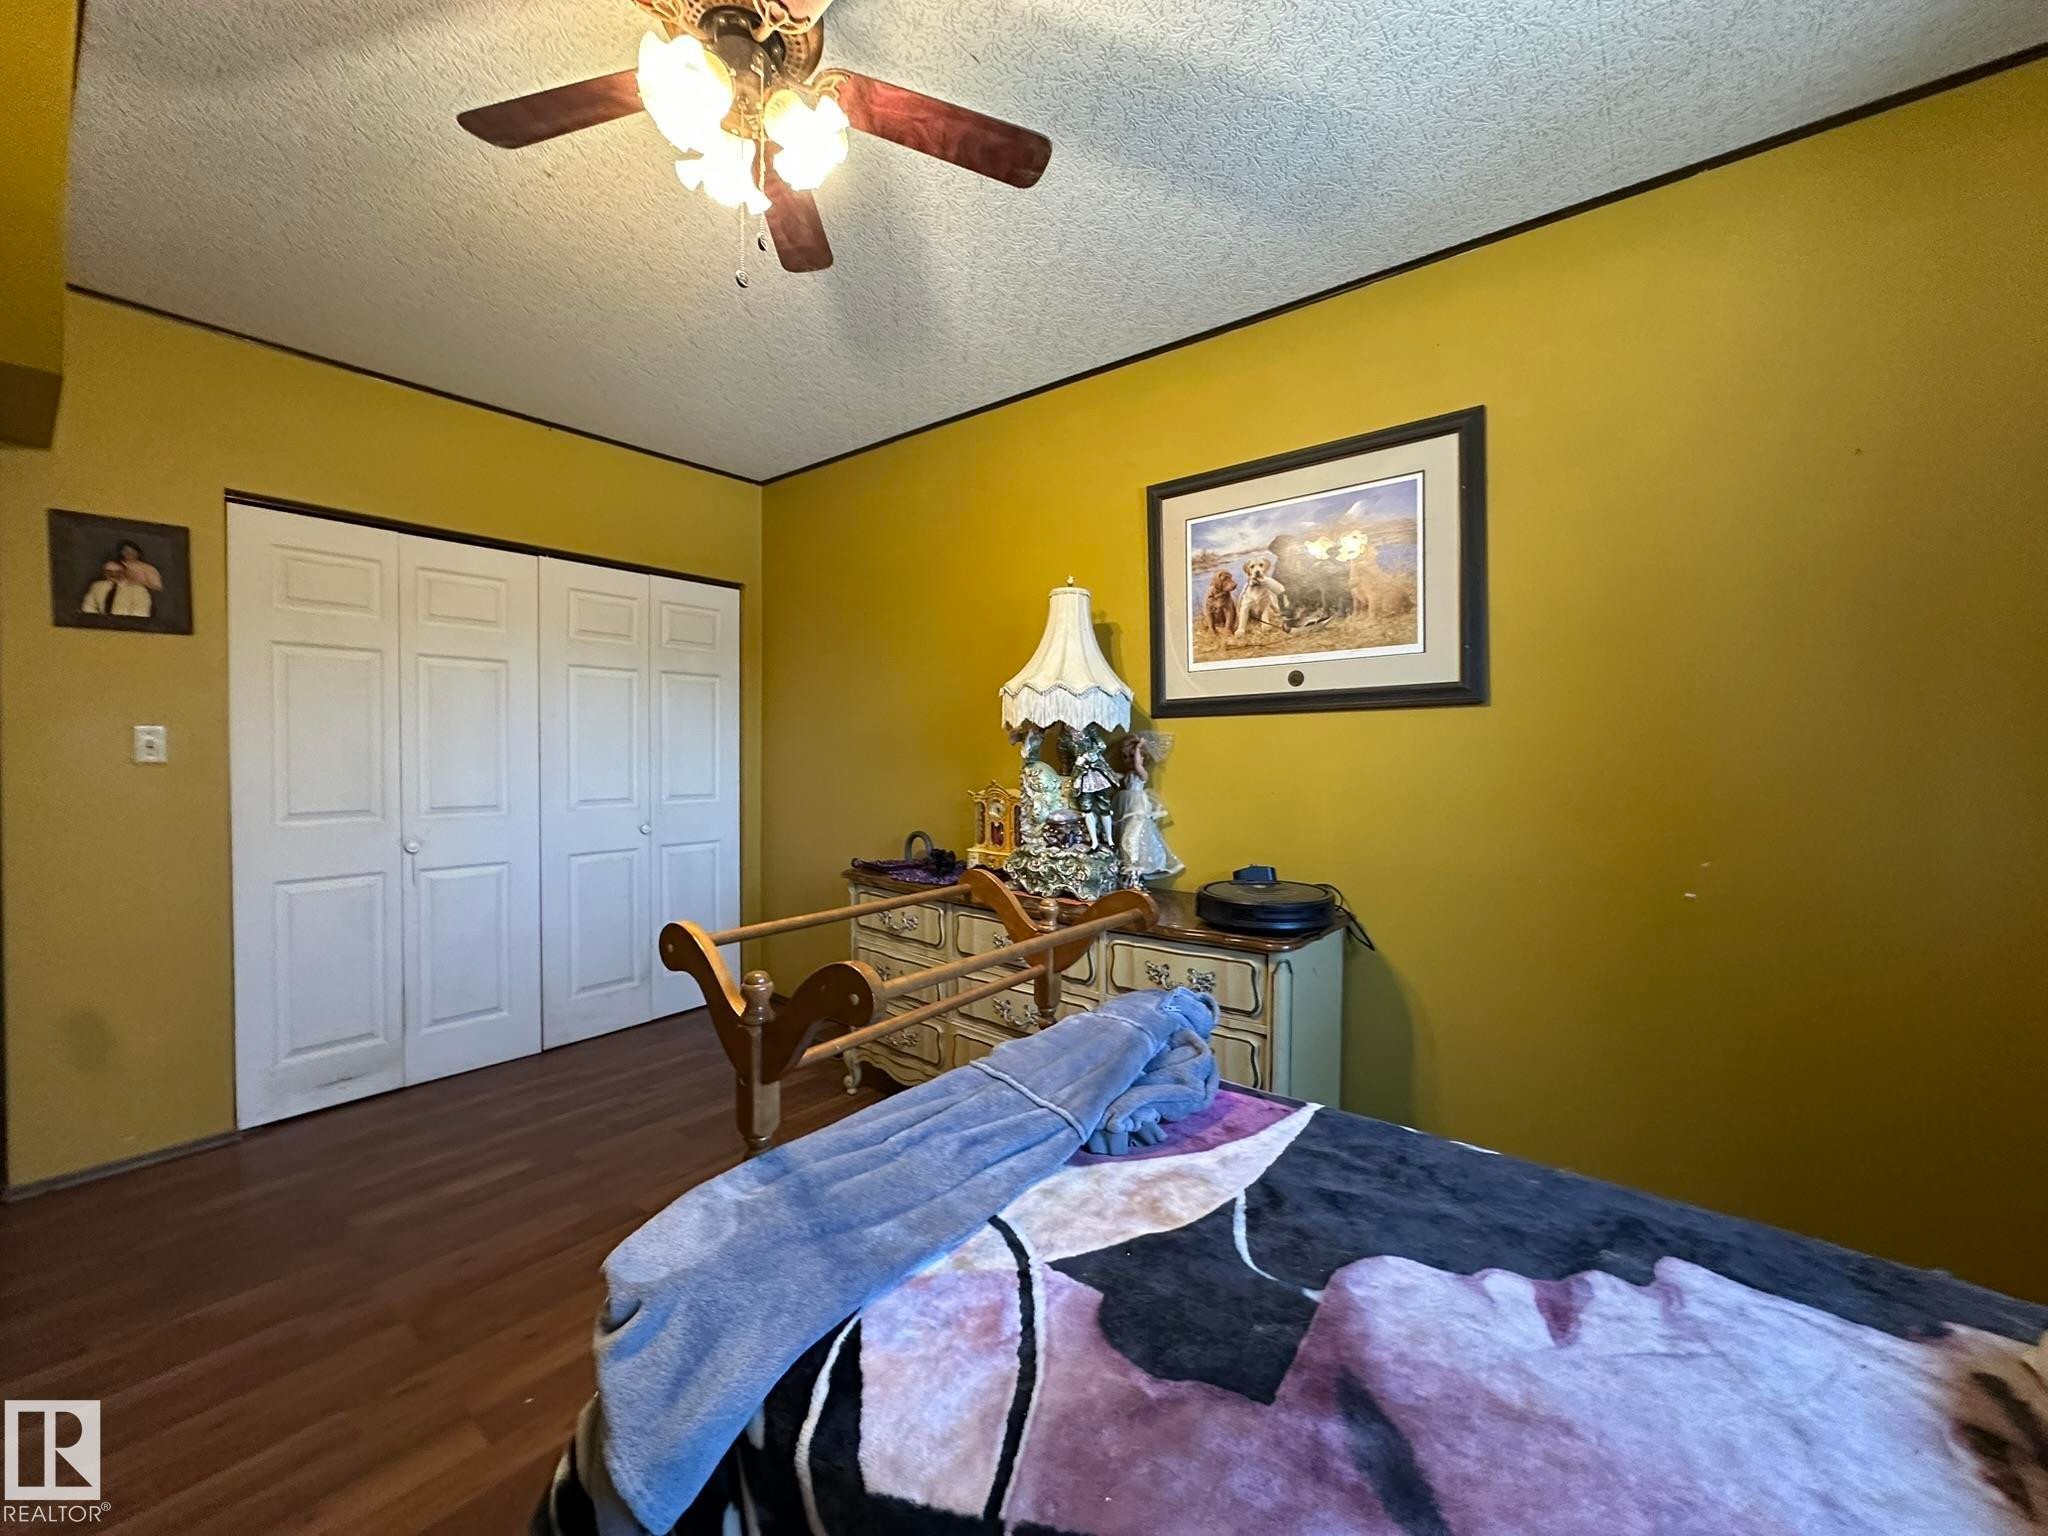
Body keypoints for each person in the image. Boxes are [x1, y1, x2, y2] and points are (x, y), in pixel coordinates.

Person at [80, 559, 152, 618]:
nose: (113, 575)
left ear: (125, 572)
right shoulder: (97, 586)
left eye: (118, 572)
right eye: (109, 572)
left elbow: (141, 614)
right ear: (104, 573)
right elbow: (87, 608)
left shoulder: (139, 590)